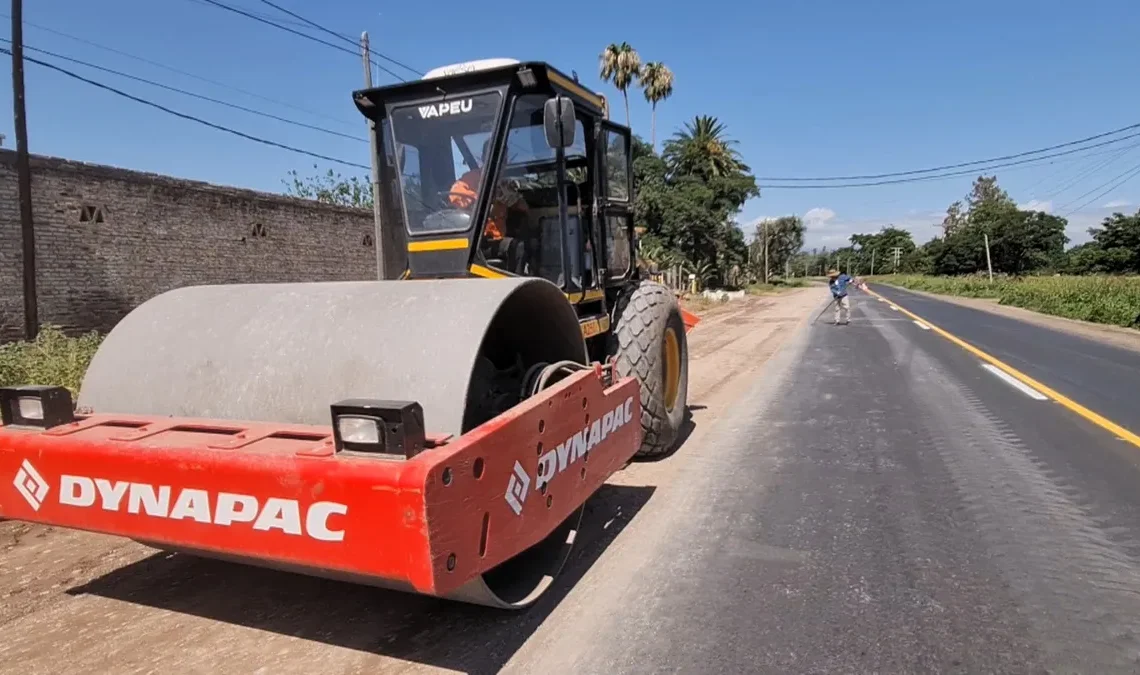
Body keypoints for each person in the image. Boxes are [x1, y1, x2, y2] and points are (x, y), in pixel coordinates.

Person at [449, 139, 529, 273]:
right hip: (477, 242)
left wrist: (512, 198)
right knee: (517, 247)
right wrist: (485, 200)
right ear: (484, 158)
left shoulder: (504, 184)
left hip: (497, 240)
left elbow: (524, 208)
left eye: (503, 159)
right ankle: (516, 288)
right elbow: (455, 195)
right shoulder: (473, 178)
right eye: (496, 157)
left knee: (527, 241)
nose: (500, 162)